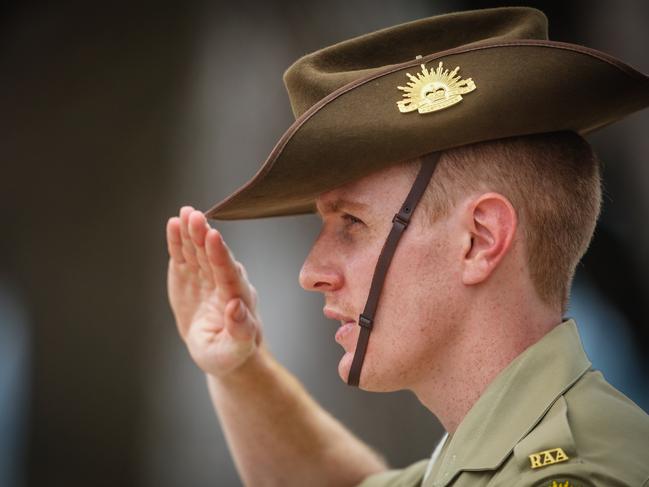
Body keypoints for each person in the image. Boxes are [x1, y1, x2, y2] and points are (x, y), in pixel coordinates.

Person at [165, 7, 649, 487]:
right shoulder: (500, 453)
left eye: (352, 222)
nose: (311, 271)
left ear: (479, 240)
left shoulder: (572, 475)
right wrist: (239, 369)